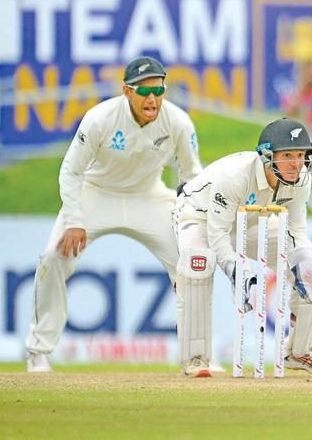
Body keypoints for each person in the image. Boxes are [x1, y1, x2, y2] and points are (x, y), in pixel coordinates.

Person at [25, 57, 203, 372]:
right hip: (96, 193)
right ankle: (38, 352)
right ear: (126, 90)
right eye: (144, 89)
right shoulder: (100, 119)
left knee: (192, 265)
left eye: (158, 89)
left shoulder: (178, 122)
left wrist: (189, 227)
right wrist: (76, 221)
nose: (152, 97)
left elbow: (191, 178)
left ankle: (196, 357)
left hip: (148, 196)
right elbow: (70, 172)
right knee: (53, 259)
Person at [173, 118, 312, 377]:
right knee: (199, 264)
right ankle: (196, 357)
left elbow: (294, 233)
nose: (296, 163)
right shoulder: (235, 175)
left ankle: (299, 350)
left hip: (250, 220)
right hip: (198, 215)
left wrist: (305, 265)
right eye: (287, 155)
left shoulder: (301, 179)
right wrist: (237, 272)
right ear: (266, 156)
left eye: (301, 155)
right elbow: (217, 233)